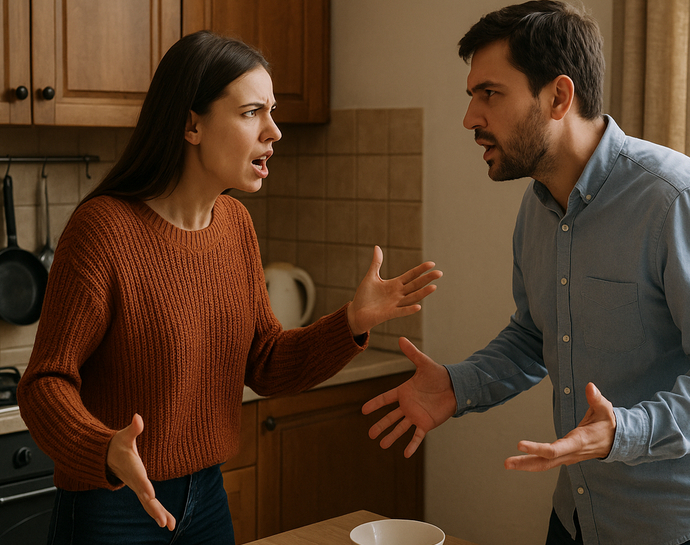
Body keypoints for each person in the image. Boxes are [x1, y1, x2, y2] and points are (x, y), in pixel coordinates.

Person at [362, 2, 690, 544]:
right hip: (578, 513)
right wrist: (459, 387)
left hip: (679, 522)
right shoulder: (537, 206)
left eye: (490, 94)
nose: (470, 118)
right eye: (471, 96)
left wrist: (626, 430)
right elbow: (535, 337)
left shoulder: (678, 200)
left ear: (558, 96)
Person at [17, 30, 441, 545]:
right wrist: (103, 447)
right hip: (113, 505)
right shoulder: (103, 230)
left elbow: (264, 361)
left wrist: (350, 322)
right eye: (251, 112)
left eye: (273, 111)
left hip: (207, 500)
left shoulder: (234, 225)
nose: (274, 131)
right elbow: (44, 382)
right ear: (192, 124)